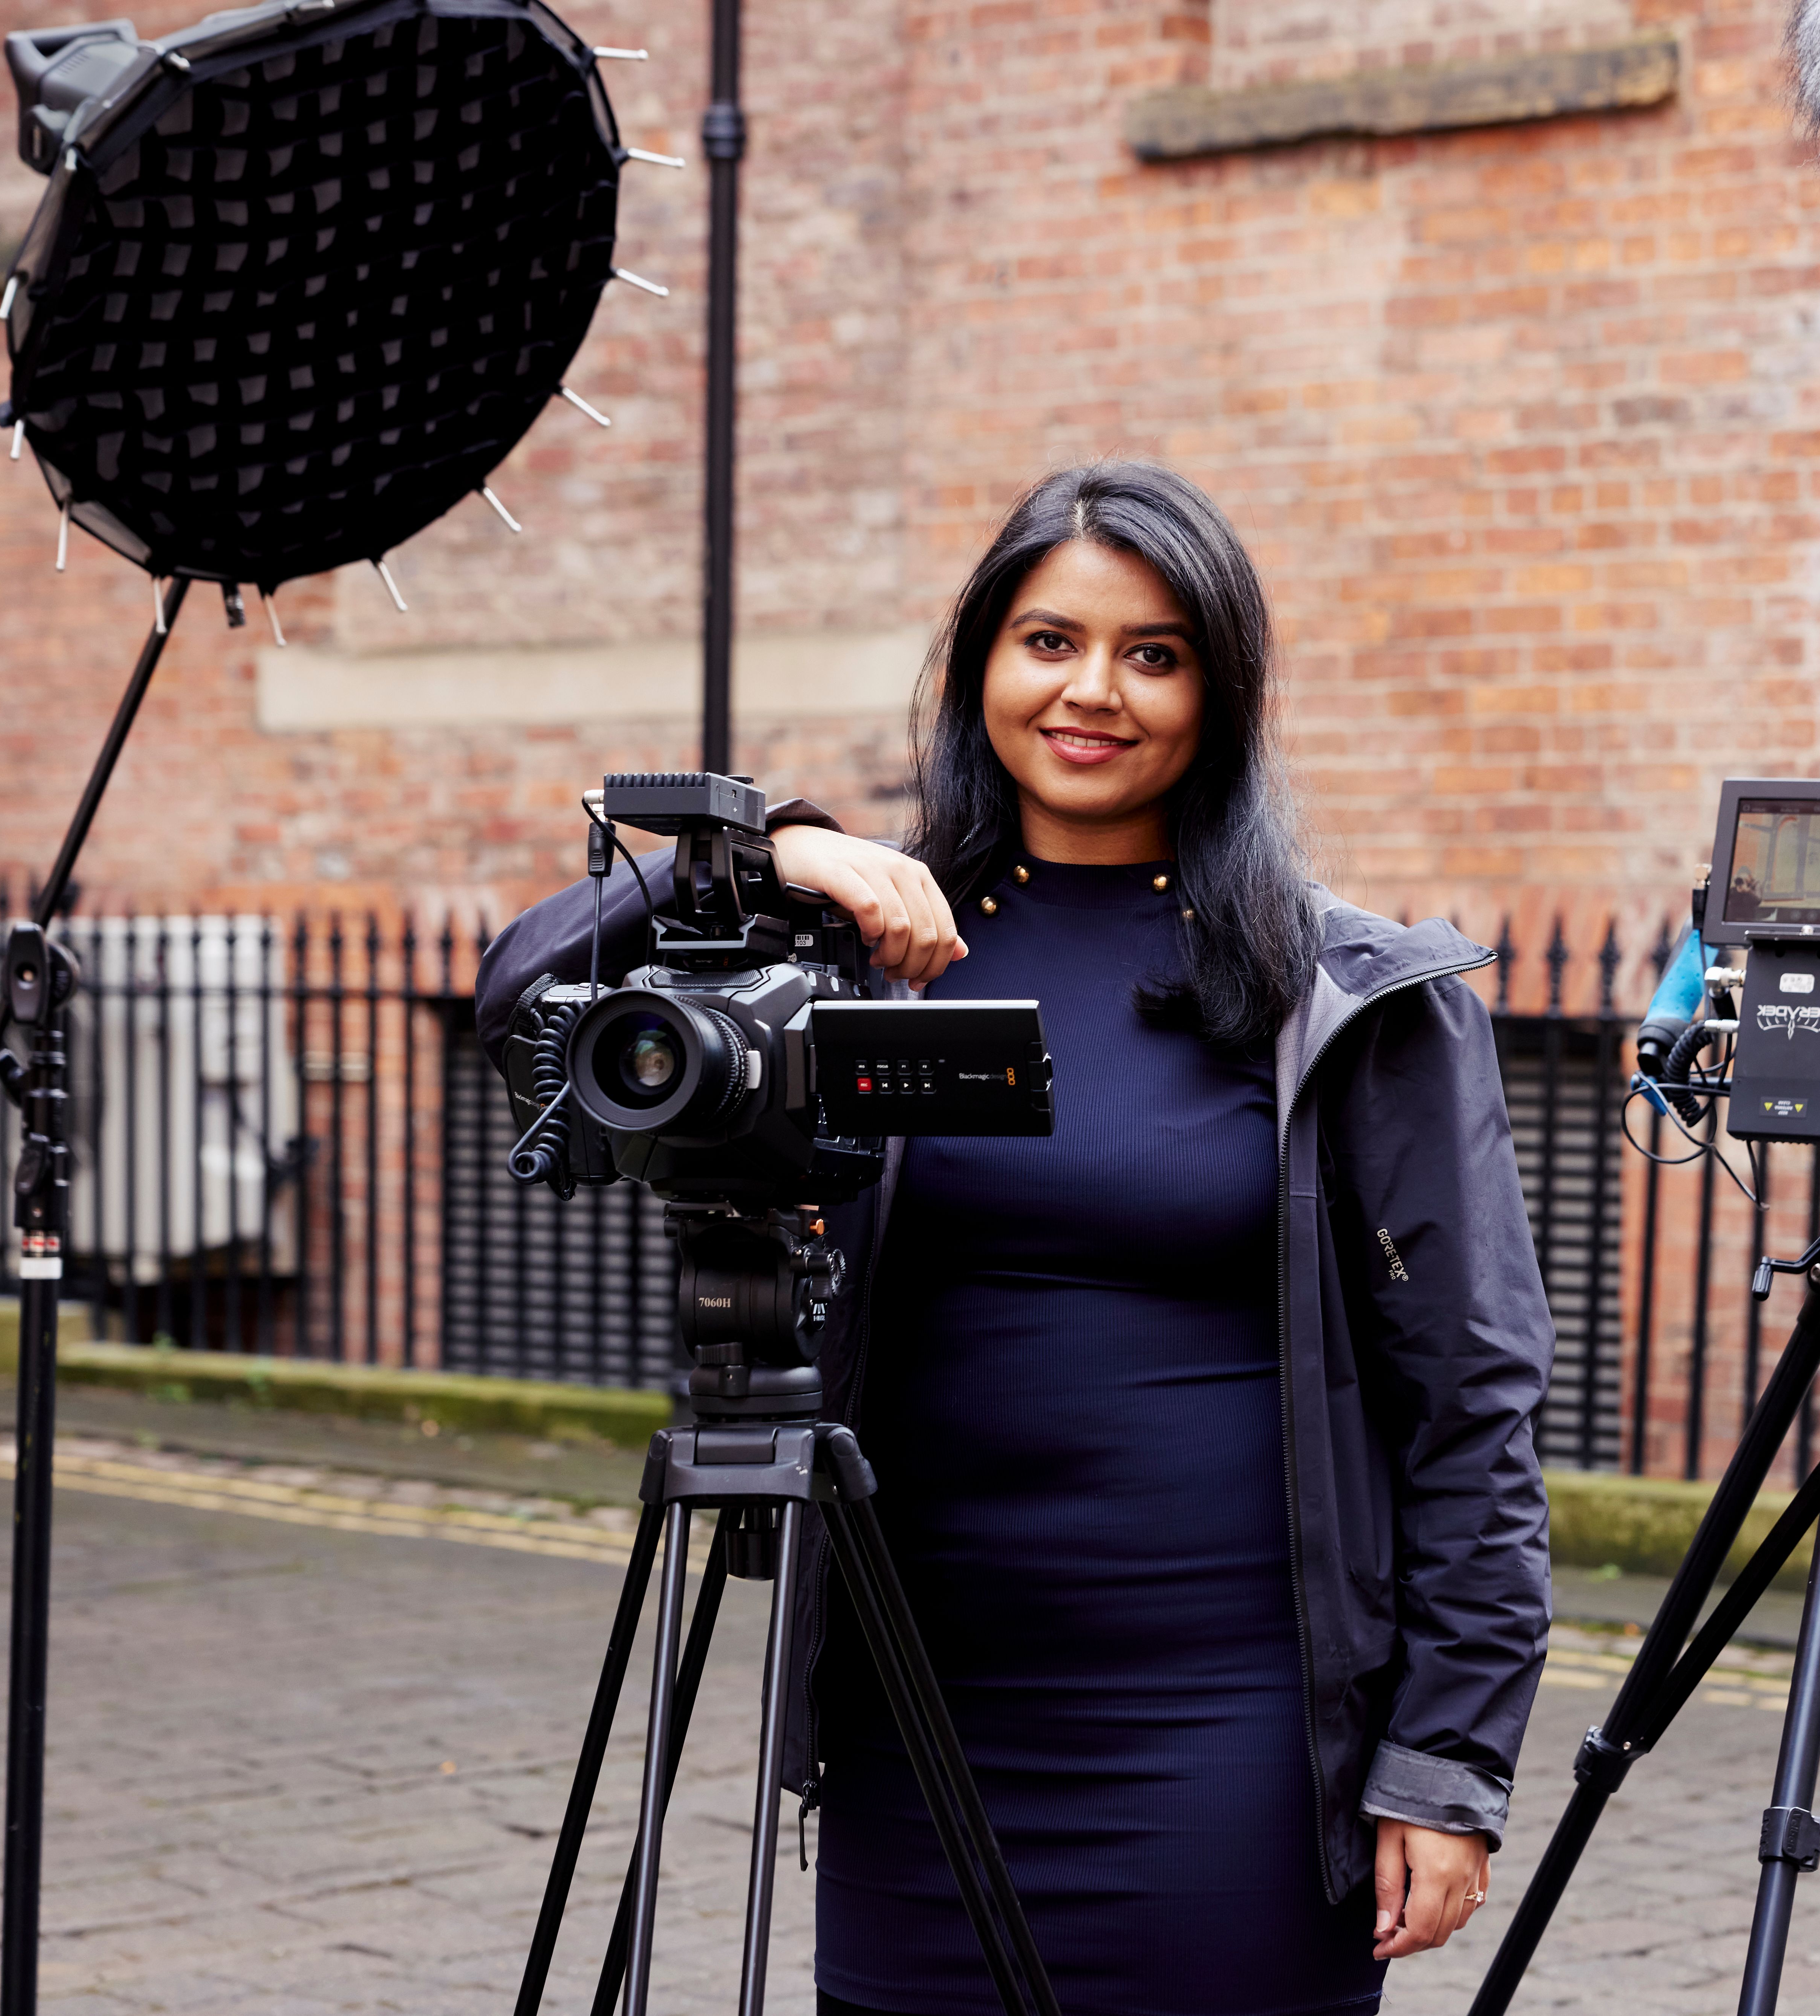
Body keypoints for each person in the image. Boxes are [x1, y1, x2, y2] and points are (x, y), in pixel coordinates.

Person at [478, 461, 1552, 2016]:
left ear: (1220, 689)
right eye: (1048, 640)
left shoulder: (1346, 992)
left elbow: (1474, 1400)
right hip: (923, 1729)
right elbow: (519, 1002)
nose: (1092, 691)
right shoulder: (862, 938)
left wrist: (1445, 1758)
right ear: (982, 659)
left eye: (1154, 652)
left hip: (1232, 1741)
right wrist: (763, 853)